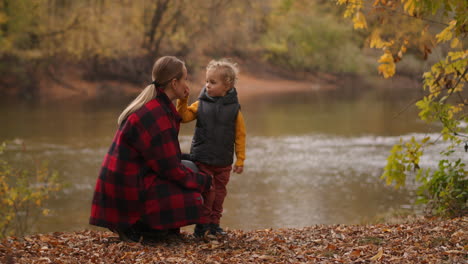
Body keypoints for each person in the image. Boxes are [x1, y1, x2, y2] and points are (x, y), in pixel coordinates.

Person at [89, 56, 212, 242]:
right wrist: (205, 182)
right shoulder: (157, 114)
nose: (187, 83)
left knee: (191, 165)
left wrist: (196, 164)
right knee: (195, 197)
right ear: (174, 82)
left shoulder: (158, 106)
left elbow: (168, 157)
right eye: (185, 79)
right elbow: (170, 169)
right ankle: (139, 227)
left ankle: (158, 229)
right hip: (127, 193)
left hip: (129, 183)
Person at [176, 59, 246, 237]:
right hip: (203, 159)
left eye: (213, 82)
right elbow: (182, 117)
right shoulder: (201, 104)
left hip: (223, 162)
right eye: (207, 81)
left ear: (227, 85)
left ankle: (214, 225)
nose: (207, 85)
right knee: (209, 193)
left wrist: (240, 159)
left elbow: (240, 136)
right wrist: (182, 100)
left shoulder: (234, 109)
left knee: (220, 194)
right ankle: (202, 227)